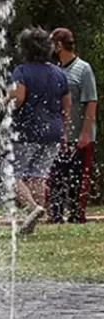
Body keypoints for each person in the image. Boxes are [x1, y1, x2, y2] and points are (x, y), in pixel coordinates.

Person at [7, 28, 70, 234]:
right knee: (38, 176)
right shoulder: (59, 73)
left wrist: (4, 101)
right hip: (53, 131)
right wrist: (65, 131)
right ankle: (33, 222)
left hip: (28, 130)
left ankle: (33, 209)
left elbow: (18, 100)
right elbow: (66, 105)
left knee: (11, 174)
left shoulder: (22, 72)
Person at [48, 28, 97, 223]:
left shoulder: (83, 69)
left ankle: (77, 216)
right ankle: (56, 216)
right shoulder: (54, 70)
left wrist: (85, 134)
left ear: (59, 45)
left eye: (52, 43)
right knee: (56, 179)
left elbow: (91, 102)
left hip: (80, 137)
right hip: (59, 137)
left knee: (78, 181)